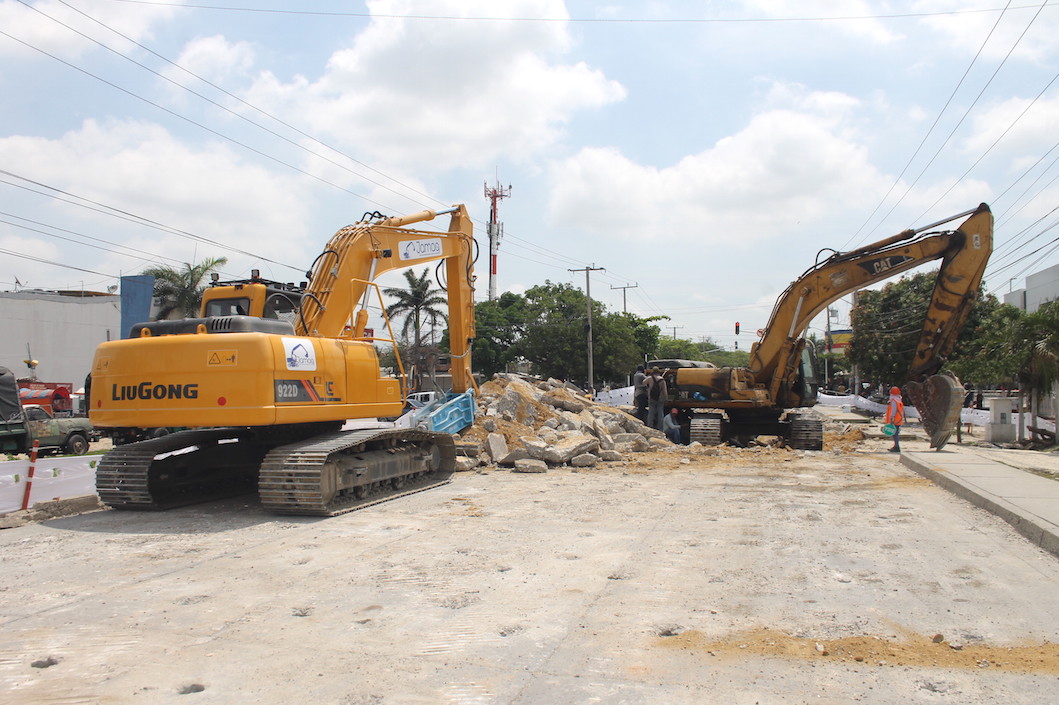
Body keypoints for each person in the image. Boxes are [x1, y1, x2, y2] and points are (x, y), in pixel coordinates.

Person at [885, 385, 905, 452]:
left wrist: (891, 418)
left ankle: (896, 447)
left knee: (894, 434)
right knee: (895, 433)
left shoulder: (894, 401)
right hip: (898, 420)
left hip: (895, 420)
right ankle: (896, 446)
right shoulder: (899, 401)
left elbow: (893, 410)